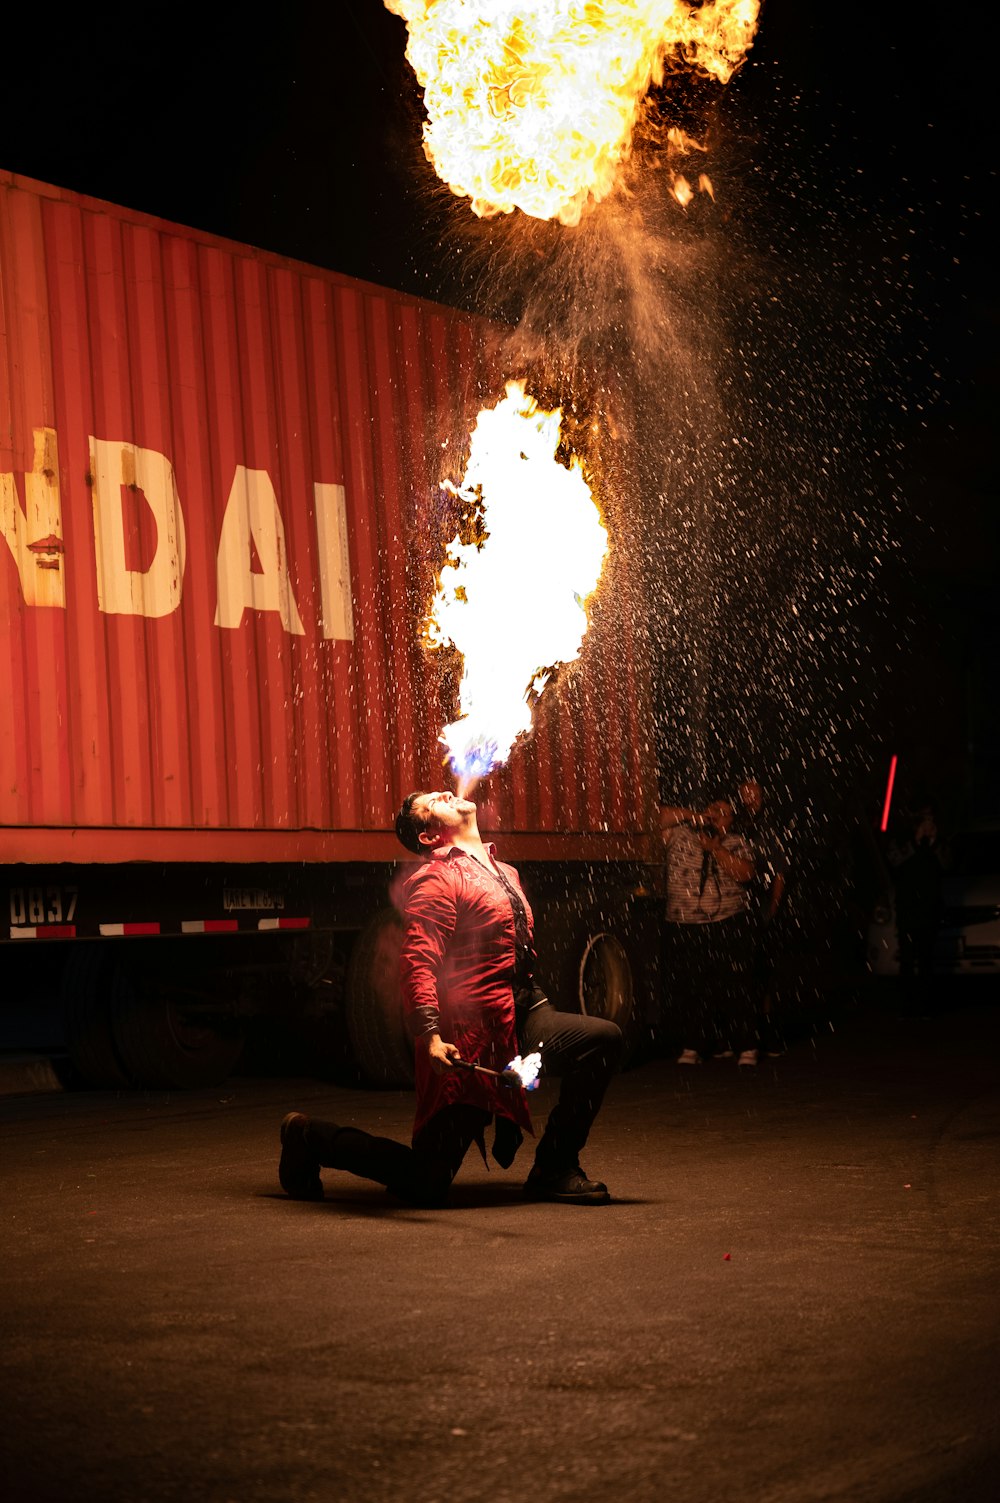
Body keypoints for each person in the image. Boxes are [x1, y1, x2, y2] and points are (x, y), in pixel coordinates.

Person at [278, 789, 622, 1208]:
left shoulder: (504, 870)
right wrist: (430, 1036)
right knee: (426, 1181)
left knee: (602, 1039)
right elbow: (418, 963)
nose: (445, 791)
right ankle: (309, 1136)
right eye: (431, 802)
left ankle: (555, 1165)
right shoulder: (435, 878)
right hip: (472, 1033)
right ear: (428, 836)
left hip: (524, 1013)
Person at [660, 796, 758, 1065]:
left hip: (727, 923)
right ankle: (693, 1045)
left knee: (735, 987)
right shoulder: (679, 834)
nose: (716, 814)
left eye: (723, 812)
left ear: (732, 821)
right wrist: (692, 814)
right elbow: (654, 817)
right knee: (691, 988)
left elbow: (746, 874)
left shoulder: (737, 842)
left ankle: (746, 1046)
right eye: (713, 809)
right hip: (685, 924)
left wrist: (716, 849)